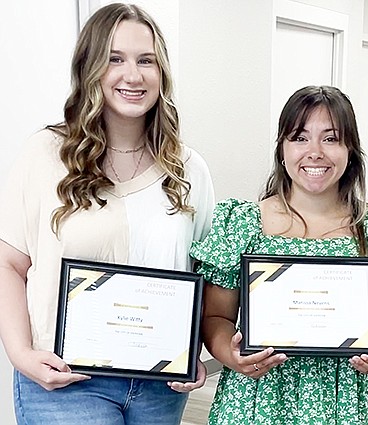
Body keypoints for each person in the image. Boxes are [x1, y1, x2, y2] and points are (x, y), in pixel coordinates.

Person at [0, 3, 215, 424]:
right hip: (67, 382)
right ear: (90, 67)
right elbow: (9, 263)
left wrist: (195, 349)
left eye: (146, 61)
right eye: (115, 59)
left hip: (159, 386)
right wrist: (21, 354)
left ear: (161, 72)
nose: (132, 76)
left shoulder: (190, 169)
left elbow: (203, 275)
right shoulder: (44, 155)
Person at [189, 85, 368, 424]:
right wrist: (232, 353)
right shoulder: (242, 224)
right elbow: (215, 319)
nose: (314, 152)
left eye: (331, 139)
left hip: (351, 400)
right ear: (282, 148)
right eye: (299, 137)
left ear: (351, 149)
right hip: (260, 399)